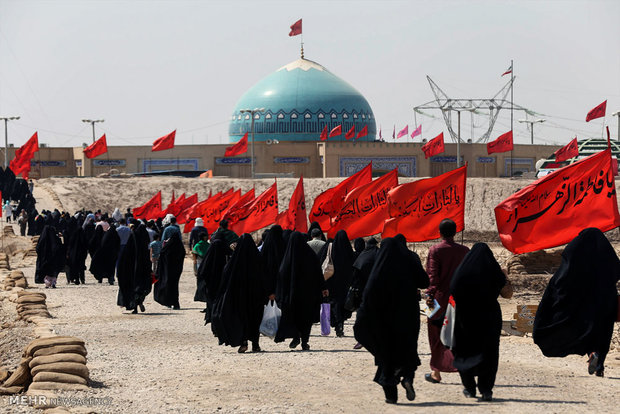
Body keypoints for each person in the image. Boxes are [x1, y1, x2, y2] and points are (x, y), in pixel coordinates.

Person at [533, 227, 620, 378]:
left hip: (580, 302)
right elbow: (616, 272)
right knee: (603, 332)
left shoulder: (576, 253)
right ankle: (599, 365)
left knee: (584, 329)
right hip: (605, 300)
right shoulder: (606, 255)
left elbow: (560, 280)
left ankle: (591, 353)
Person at [353, 236, 430, 404]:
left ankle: (391, 395)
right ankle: (408, 377)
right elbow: (424, 281)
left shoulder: (380, 265)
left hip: (384, 320)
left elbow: (368, 295)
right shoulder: (409, 259)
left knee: (386, 356)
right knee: (408, 348)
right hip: (407, 315)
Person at [450, 243, 512, 401]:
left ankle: (469, 387)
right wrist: (505, 276)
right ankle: (486, 390)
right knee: (489, 353)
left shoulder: (463, 271)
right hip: (490, 317)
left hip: (466, 316)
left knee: (465, 349)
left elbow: (454, 289)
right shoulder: (494, 272)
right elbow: (507, 295)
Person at [424, 219, 469, 384]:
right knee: (458, 334)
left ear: (440, 232)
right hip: (459, 299)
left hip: (438, 300)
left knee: (435, 335)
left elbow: (432, 278)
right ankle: (463, 369)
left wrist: (428, 296)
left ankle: (436, 371)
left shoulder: (435, 250)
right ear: (455, 232)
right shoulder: (465, 250)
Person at [212, 234, 266, 353]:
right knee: (255, 320)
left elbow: (226, 277)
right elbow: (264, 277)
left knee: (242, 319)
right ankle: (256, 344)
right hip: (255, 297)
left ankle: (243, 342)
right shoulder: (257, 259)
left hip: (240, 297)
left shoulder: (234, 262)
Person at [275, 232, 328, 350]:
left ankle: (295, 336)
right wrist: (323, 288)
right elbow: (318, 273)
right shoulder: (310, 255)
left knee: (293, 315)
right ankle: (304, 341)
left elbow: (281, 275)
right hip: (308, 295)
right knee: (306, 318)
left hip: (292, 295)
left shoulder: (288, 257)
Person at [324, 230, 356, 337]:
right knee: (342, 303)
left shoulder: (331, 248)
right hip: (345, 282)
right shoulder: (348, 250)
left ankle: (338, 324)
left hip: (332, 280)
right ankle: (340, 324)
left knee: (335, 302)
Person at [349, 237, 379, 349]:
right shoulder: (380, 255)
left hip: (363, 291)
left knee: (363, 316)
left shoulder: (363, 256)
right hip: (377, 290)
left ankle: (362, 340)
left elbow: (356, 273)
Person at [195, 232, 232, 322]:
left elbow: (202, 271)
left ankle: (211, 316)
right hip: (222, 282)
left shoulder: (210, 254)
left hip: (211, 284)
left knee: (211, 300)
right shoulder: (226, 254)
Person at [154, 231, 185, 310]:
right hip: (177, 271)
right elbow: (182, 255)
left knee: (167, 285)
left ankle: (168, 301)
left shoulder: (168, 247)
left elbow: (163, 255)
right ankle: (176, 303)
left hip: (168, 271)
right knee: (174, 286)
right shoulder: (180, 247)